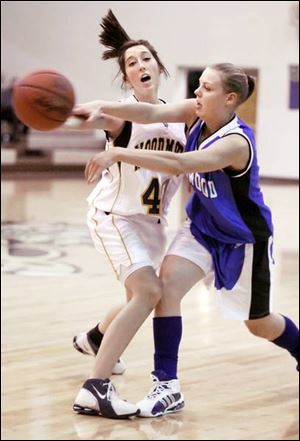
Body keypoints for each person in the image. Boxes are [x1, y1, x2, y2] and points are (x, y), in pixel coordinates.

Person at [77, 62, 299, 418]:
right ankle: (167, 384)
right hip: (200, 228)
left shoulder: (236, 142)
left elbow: (180, 164)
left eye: (206, 88)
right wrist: (101, 107)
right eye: (199, 85)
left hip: (243, 240)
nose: (197, 92)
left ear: (229, 99)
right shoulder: (195, 113)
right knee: (165, 288)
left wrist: (118, 152)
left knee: (260, 324)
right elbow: (149, 111)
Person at [70, 10, 186, 419]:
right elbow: (101, 116)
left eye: (145, 59)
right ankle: (95, 389)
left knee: (138, 298)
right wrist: (67, 108)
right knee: (150, 293)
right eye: (131, 63)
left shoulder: (177, 119)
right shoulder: (124, 112)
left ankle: (96, 338)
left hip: (153, 225)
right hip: (115, 216)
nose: (140, 65)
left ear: (159, 65)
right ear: (126, 77)